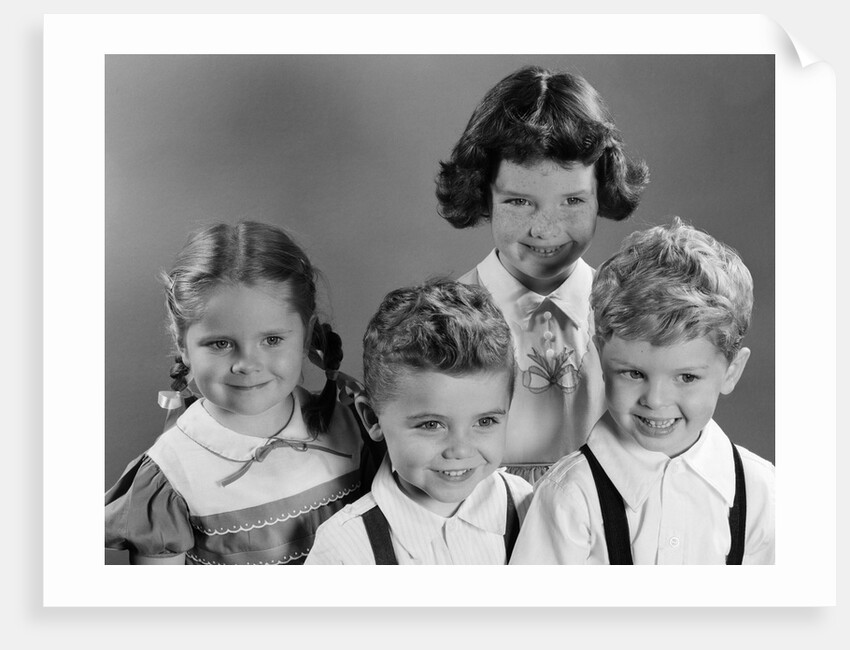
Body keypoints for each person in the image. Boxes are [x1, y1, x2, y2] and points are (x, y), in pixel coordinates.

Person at [105, 221, 382, 565]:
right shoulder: (171, 473)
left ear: (307, 335)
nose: (247, 364)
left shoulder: (354, 425)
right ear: (183, 345)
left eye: (272, 340)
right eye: (221, 344)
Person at [510, 218, 775, 564]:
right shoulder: (571, 495)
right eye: (634, 373)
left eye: (687, 378)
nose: (656, 400)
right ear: (601, 358)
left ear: (731, 372)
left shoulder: (763, 493)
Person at [435, 65, 650, 483]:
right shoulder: (442, 322)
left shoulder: (634, 313)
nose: (545, 230)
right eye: (519, 202)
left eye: (572, 200)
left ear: (601, 191)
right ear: (484, 193)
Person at [305, 280, 533, 564]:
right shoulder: (344, 549)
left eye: (485, 421)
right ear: (372, 418)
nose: (460, 450)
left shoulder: (531, 507)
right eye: (431, 425)